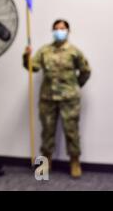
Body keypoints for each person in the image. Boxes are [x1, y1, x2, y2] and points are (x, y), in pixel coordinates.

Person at [23, 19, 91, 178]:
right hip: (48, 98)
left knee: (71, 131)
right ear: (52, 31)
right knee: (47, 131)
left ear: (68, 31)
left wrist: (74, 87)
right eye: (56, 28)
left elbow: (85, 71)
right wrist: (26, 57)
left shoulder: (74, 51)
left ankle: (75, 162)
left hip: (69, 99)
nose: (59, 31)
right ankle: (45, 164)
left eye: (62, 28)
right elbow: (33, 67)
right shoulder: (44, 51)